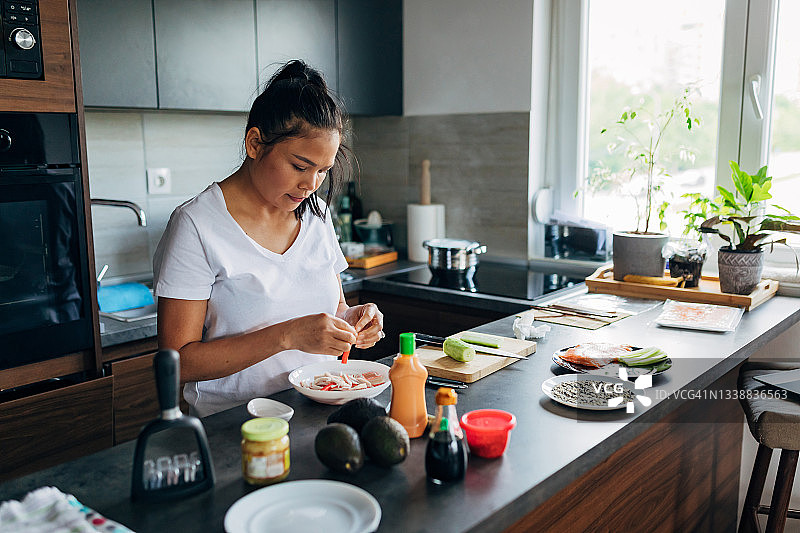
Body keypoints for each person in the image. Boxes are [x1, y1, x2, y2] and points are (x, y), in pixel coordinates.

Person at [153, 60, 384, 417]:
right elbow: (178, 362)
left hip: (312, 411)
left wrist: (353, 319)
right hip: (235, 425)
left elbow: (334, 307)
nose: (311, 185)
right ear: (255, 143)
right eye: (300, 166)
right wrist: (287, 336)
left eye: (323, 171)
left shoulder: (317, 216)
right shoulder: (196, 225)